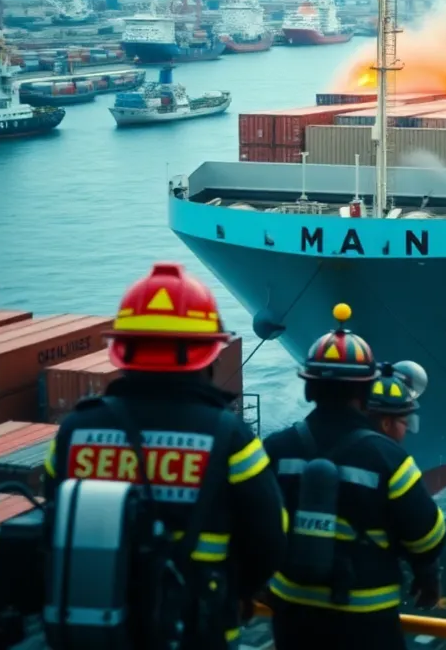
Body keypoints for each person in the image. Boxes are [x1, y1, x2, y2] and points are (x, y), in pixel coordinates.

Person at [41, 262, 288, 648]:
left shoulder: (74, 433)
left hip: (93, 635)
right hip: (198, 633)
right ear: (208, 355)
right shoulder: (230, 439)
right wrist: (239, 591)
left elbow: (52, 523)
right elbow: (270, 539)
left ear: (122, 350)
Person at [263, 304, 446, 650]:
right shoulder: (389, 458)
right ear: (365, 393)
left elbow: (253, 524)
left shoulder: (275, 449)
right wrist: (427, 575)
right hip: (366, 618)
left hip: (291, 614)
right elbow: (429, 537)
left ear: (309, 389)